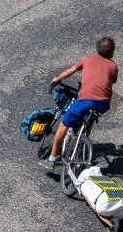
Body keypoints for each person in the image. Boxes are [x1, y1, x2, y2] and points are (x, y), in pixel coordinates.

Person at [41, 36, 118, 170]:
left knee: (63, 125)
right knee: (91, 116)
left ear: (97, 49)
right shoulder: (113, 66)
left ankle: (51, 160)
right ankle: (83, 141)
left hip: (85, 100)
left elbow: (69, 72)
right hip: (103, 104)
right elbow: (108, 81)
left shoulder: (87, 59)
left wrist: (56, 78)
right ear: (112, 52)